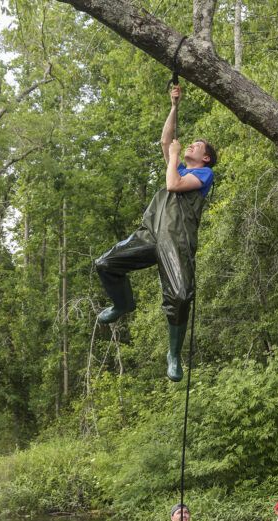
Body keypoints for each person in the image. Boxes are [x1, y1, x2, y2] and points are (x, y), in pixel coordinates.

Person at [93, 83, 218, 381]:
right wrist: (174, 106)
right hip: (150, 234)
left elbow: (174, 184)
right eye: (191, 143)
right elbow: (165, 141)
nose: (191, 145)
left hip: (176, 243)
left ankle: (173, 355)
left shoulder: (203, 174)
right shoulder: (179, 166)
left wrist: (174, 157)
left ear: (206, 158)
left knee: (181, 295)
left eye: (197, 146)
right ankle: (123, 304)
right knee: (105, 263)